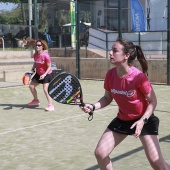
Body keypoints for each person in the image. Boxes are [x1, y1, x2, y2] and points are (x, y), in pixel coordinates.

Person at [80, 39, 170, 170]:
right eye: (111, 50)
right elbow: (107, 98)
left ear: (126, 56)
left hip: (144, 120)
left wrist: (142, 121)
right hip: (123, 120)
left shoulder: (138, 77)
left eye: (115, 50)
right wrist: (93, 106)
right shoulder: (110, 75)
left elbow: (153, 101)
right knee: (100, 153)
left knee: (157, 163)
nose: (110, 53)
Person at [28, 39, 54, 111]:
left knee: (45, 89)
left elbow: (49, 67)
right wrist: (33, 69)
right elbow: (35, 63)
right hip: (38, 73)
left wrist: (44, 74)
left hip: (47, 74)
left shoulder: (46, 56)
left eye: (39, 45)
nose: (37, 46)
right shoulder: (35, 54)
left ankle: (50, 105)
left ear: (43, 46)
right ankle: (36, 100)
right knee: (31, 86)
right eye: (36, 45)